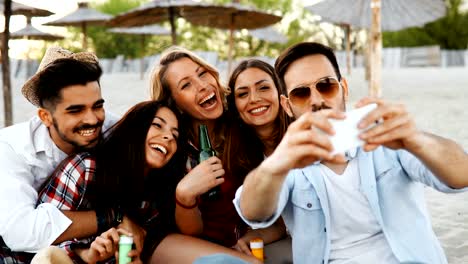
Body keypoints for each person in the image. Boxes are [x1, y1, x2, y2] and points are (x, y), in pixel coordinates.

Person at [234, 42, 468, 264]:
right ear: (287, 106)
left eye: (326, 85)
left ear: (343, 88)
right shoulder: (287, 160)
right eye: (301, 93)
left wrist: (416, 139)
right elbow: (253, 212)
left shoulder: (386, 138)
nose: (316, 100)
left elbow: (462, 175)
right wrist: (277, 164)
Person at [0, 46, 131, 263]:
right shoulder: (11, 148)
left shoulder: (111, 128)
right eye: (75, 110)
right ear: (46, 116)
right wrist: (114, 216)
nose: (92, 119)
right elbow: (21, 233)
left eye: (97, 106)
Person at [36, 100, 187, 263]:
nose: (168, 137)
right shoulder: (86, 168)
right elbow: (38, 237)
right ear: (135, 128)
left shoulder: (154, 199)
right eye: (157, 125)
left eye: (175, 135)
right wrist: (84, 252)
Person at [149, 46, 261, 263]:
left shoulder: (241, 125)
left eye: (202, 73)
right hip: (177, 244)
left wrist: (254, 236)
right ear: (175, 104)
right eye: (186, 85)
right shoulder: (170, 148)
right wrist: (184, 195)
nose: (202, 86)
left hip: (238, 240)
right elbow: (190, 232)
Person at [227, 59, 292, 260]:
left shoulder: (301, 137)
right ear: (235, 106)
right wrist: (255, 236)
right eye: (243, 94)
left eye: (263, 88)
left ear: (280, 94)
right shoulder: (240, 157)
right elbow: (281, 224)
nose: (254, 99)